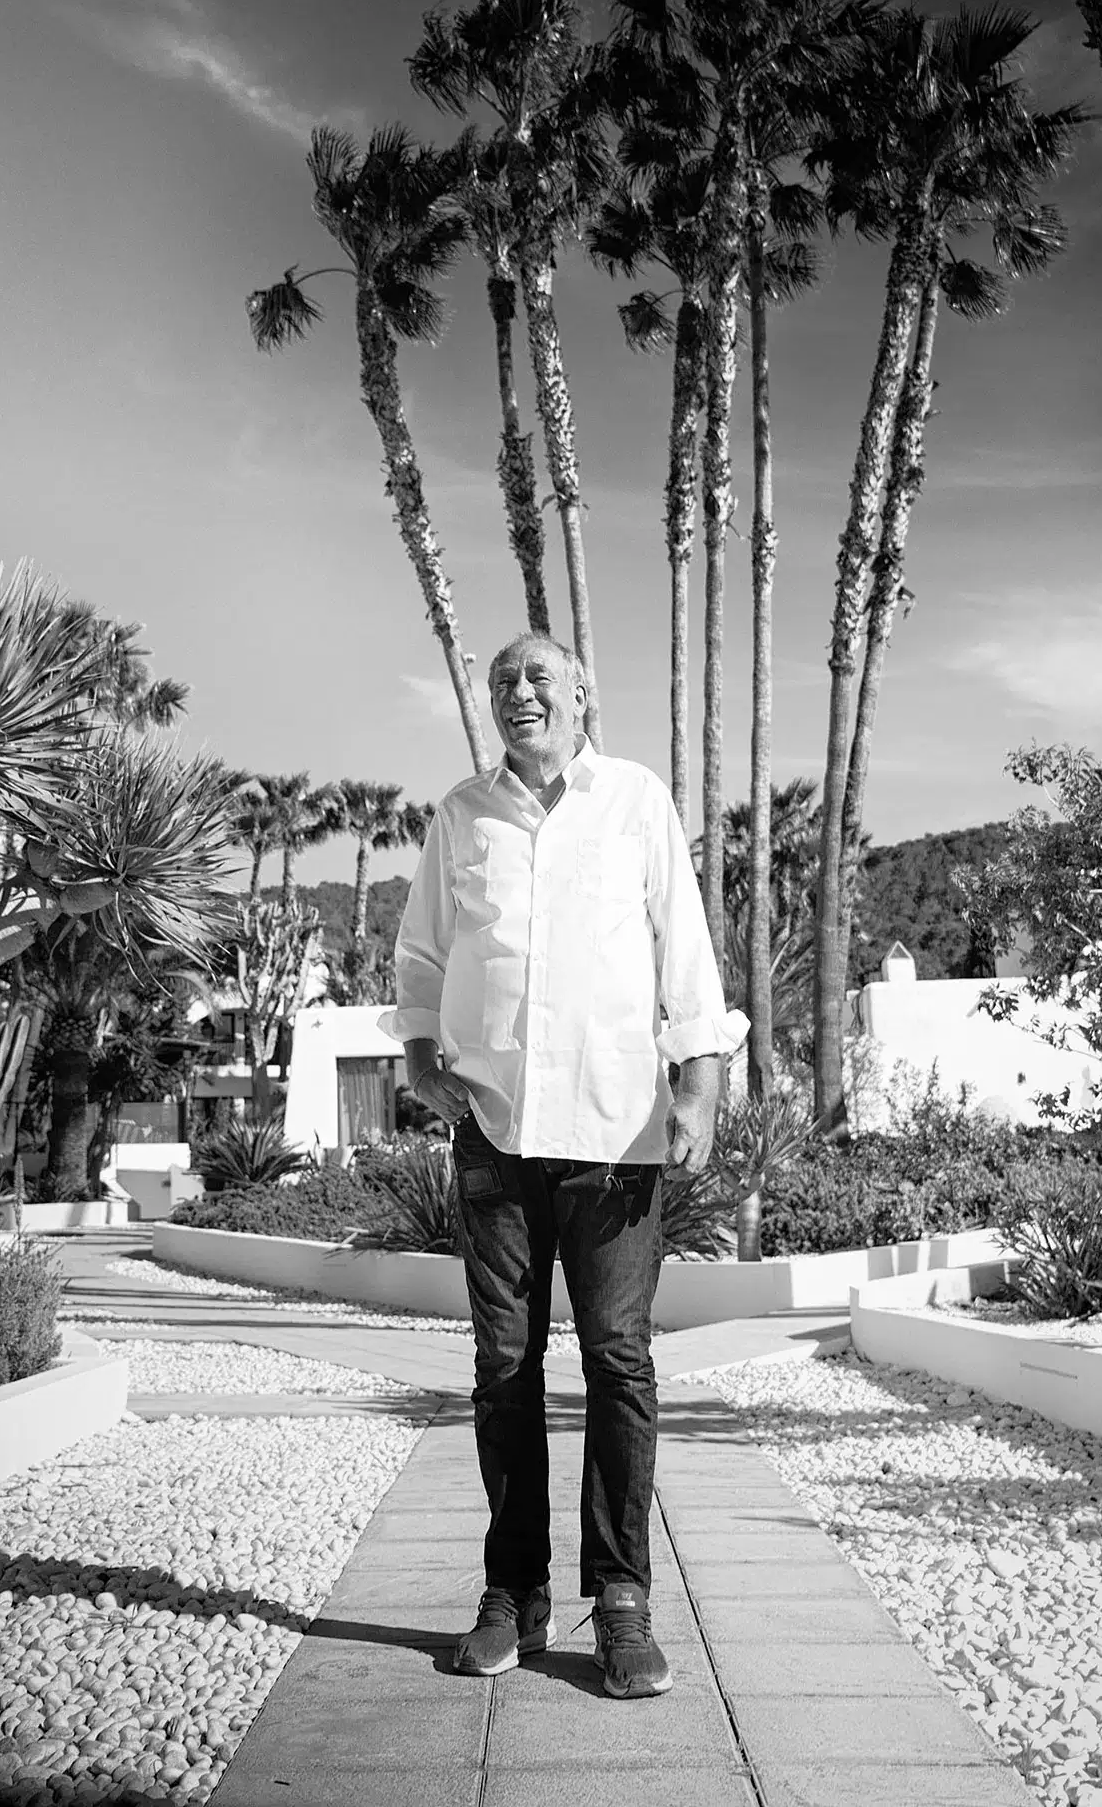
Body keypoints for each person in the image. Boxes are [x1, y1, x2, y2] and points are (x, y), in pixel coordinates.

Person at [380, 632, 748, 1699]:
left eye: (538, 675)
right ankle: (515, 1594)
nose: (518, 691)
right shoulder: (461, 813)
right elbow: (422, 953)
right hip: (493, 1134)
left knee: (618, 1363)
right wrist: (420, 1059)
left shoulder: (635, 800)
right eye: (502, 679)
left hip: (615, 1137)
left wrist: (698, 1086)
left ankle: (621, 1601)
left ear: (583, 693)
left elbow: (684, 950)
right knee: (504, 1365)